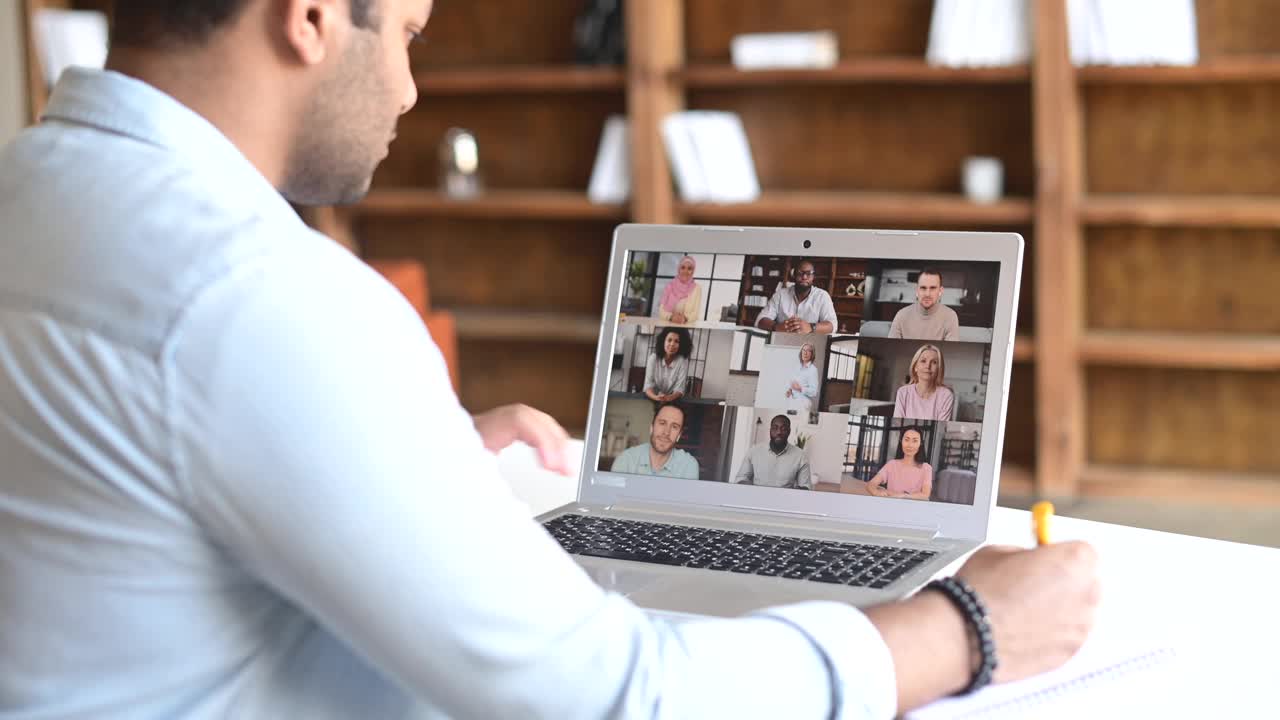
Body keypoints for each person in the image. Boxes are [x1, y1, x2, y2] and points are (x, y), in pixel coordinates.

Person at [0, 1, 1102, 717]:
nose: (409, 92)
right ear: (314, 18)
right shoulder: (260, 293)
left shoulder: (34, 193)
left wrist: (389, 451)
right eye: (411, 38)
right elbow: (611, 698)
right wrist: (963, 628)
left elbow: (142, 472)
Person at [609, 402, 699, 480]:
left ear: (679, 435)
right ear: (651, 428)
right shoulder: (626, 460)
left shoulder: (688, 465)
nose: (666, 432)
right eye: (662, 423)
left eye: (674, 427)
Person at [756, 260, 838, 334]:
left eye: (809, 273)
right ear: (794, 275)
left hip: (810, 346)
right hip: (781, 342)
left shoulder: (822, 296)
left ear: (813, 277)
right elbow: (760, 320)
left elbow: (833, 325)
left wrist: (811, 327)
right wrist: (776, 327)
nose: (804, 277)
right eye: (800, 273)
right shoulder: (780, 294)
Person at [734, 415, 812, 489]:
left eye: (783, 429)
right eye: (775, 428)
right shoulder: (754, 451)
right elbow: (741, 479)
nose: (779, 432)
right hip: (756, 498)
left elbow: (805, 487)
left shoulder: (801, 456)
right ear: (770, 430)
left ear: (789, 431)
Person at [889, 268, 960, 341]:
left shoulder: (950, 317)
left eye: (933, 288)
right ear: (917, 291)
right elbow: (891, 349)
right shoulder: (901, 315)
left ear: (940, 291)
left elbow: (950, 352)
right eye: (923, 288)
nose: (927, 294)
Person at [865, 427, 934, 501]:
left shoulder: (926, 468)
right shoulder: (892, 464)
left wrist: (902, 496)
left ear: (920, 444)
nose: (910, 445)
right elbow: (871, 484)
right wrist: (876, 493)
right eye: (906, 440)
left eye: (915, 441)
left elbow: (925, 495)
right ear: (901, 441)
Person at [894, 344, 956, 421]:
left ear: (939, 369)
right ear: (915, 367)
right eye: (923, 361)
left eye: (934, 362)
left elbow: (939, 429)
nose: (928, 366)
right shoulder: (903, 392)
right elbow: (898, 424)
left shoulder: (946, 396)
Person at [642, 326, 691, 402]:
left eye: (676, 341)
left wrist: (668, 398)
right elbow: (648, 386)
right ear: (663, 341)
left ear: (681, 345)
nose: (672, 344)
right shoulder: (653, 358)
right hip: (652, 399)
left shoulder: (683, 361)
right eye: (669, 340)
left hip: (673, 401)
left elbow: (680, 389)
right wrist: (656, 397)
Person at [653, 255, 702, 325]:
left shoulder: (697, 289)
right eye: (683, 267)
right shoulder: (669, 286)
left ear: (693, 271)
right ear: (679, 269)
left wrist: (684, 318)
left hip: (685, 327)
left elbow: (695, 313)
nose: (685, 271)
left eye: (689, 268)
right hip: (668, 325)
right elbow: (661, 311)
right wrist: (671, 317)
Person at [785, 342, 820, 413]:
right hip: (792, 401)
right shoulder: (797, 367)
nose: (805, 353)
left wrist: (800, 389)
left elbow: (814, 392)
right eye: (803, 350)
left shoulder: (813, 370)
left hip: (803, 404)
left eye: (808, 351)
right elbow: (793, 383)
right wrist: (790, 390)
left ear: (812, 354)